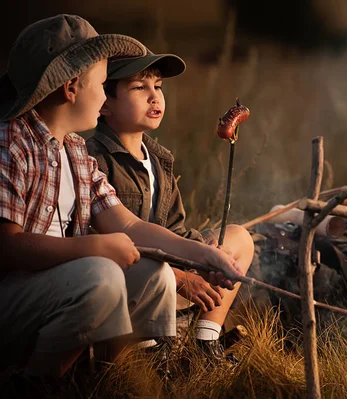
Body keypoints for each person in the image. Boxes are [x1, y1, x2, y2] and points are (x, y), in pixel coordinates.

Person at [0, 14, 247, 390]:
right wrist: (95, 246)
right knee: (100, 274)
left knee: (152, 275)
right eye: (101, 84)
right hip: (14, 296)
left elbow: (129, 225)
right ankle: (40, 381)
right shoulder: (12, 143)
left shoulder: (75, 152)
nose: (102, 96)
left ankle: (113, 377)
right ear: (71, 88)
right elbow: (7, 246)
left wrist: (204, 255)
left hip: (57, 290)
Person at [85, 49, 253, 358]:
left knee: (238, 238)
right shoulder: (92, 160)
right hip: (128, 282)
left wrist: (208, 254)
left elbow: (174, 229)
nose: (154, 97)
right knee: (157, 273)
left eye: (158, 87)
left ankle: (205, 343)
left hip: (165, 271)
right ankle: (150, 354)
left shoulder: (160, 160)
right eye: (139, 87)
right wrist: (179, 277)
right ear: (104, 103)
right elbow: (97, 242)